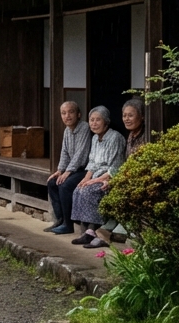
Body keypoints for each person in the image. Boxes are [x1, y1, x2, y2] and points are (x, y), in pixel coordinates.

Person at [70, 105, 126, 249]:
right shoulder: (95, 138)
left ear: (106, 121)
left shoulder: (115, 137)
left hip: (110, 177)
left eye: (98, 120)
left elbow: (115, 166)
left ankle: (93, 231)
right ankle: (88, 231)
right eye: (91, 120)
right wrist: (85, 179)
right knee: (79, 189)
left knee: (90, 191)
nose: (94, 123)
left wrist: (95, 180)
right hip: (97, 175)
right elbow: (93, 162)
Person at [95, 98, 145, 243]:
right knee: (108, 186)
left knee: (123, 191)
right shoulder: (131, 134)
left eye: (131, 115)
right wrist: (110, 176)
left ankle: (120, 231)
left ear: (142, 117)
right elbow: (124, 164)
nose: (126, 119)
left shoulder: (146, 135)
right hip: (128, 175)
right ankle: (109, 227)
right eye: (124, 115)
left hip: (140, 178)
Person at [45, 101, 92, 235]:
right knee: (52, 182)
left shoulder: (84, 128)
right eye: (63, 113)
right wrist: (60, 170)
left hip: (86, 169)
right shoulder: (67, 130)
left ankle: (68, 223)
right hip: (73, 169)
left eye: (71, 112)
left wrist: (67, 172)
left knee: (64, 185)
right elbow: (64, 152)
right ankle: (60, 219)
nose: (67, 116)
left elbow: (81, 154)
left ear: (79, 114)